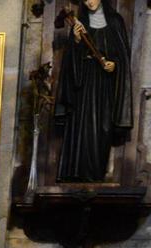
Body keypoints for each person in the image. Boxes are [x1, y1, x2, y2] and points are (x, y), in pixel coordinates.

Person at [55, 0, 133, 182]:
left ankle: (96, 174)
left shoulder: (115, 21)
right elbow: (69, 64)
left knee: (102, 129)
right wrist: (75, 40)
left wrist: (115, 66)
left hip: (105, 87)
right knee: (80, 127)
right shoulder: (79, 22)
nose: (89, 1)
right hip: (83, 86)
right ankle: (76, 173)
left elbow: (123, 57)